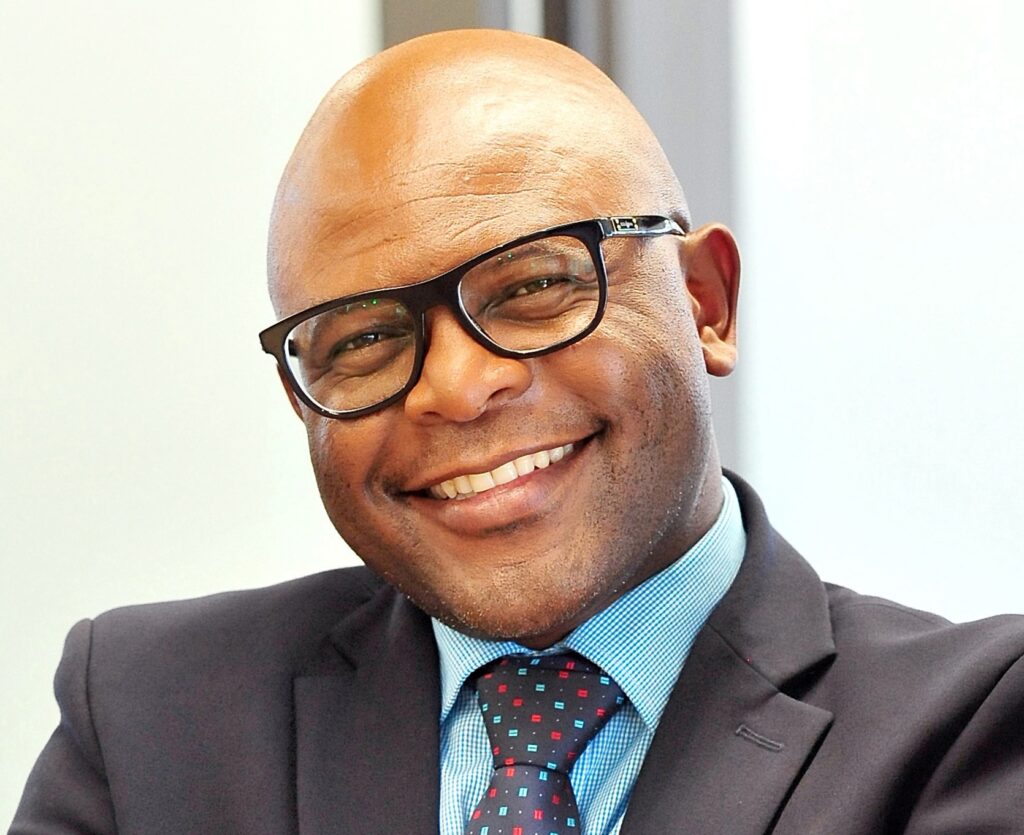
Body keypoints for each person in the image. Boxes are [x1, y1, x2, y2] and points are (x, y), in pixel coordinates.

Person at [11, 28, 1024, 835]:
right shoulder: (150, 720)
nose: (456, 388)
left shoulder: (972, 729)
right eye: (363, 339)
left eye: (536, 285)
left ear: (706, 303)